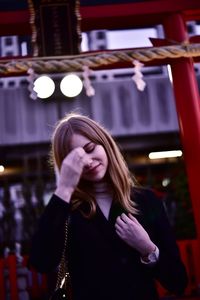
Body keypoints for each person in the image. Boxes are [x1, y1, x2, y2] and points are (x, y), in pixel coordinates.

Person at [29, 113, 188, 300]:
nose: (87, 162)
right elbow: (41, 262)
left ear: (105, 144)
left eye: (90, 149)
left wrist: (147, 249)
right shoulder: (66, 209)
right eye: (76, 159)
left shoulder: (146, 200)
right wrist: (64, 188)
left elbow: (178, 282)